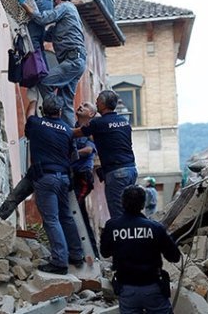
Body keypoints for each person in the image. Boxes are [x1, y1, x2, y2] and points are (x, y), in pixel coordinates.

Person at [25, 93, 84, 274]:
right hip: (64, 178)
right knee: (66, 216)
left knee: (51, 220)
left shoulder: (36, 124)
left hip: (46, 178)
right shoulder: (67, 130)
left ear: (43, 110)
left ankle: (59, 262)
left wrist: (33, 98)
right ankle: (76, 254)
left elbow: (29, 114)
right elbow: (74, 155)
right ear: (60, 111)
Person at [100, 185, 181, 314]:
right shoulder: (155, 228)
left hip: (127, 289)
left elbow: (104, 252)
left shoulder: (112, 226)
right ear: (143, 204)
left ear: (122, 203)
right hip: (153, 288)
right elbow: (174, 257)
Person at [20, 0, 86, 127]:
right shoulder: (70, 15)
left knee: (44, 82)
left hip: (72, 61)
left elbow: (44, 18)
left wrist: (25, 6)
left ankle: (52, 117)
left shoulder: (65, 6)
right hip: (77, 61)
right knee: (66, 103)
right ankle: (69, 136)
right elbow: (48, 35)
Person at [74, 90, 138, 219]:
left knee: (118, 214)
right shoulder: (124, 122)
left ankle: (121, 232)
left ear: (103, 104)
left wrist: (55, 128)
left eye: (97, 100)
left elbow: (76, 133)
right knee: (129, 209)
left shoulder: (98, 123)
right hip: (131, 170)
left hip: (117, 173)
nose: (96, 102)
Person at [71, 101, 100, 258]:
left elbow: (89, 149)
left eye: (86, 105)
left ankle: (88, 253)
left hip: (83, 177)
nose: (81, 106)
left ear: (91, 114)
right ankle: (90, 252)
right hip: (73, 176)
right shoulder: (73, 127)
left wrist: (72, 154)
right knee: (79, 214)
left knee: (72, 210)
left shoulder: (92, 129)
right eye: (81, 104)